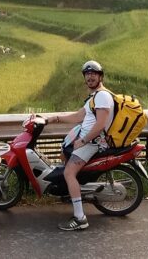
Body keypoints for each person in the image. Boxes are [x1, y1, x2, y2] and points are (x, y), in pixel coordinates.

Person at [47, 60, 114, 231]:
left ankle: (80, 218)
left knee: (69, 172)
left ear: (100, 76)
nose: (90, 76)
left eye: (94, 73)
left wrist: (82, 141)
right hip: (86, 140)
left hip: (93, 143)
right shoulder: (94, 97)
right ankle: (71, 192)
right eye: (87, 74)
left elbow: (100, 125)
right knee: (63, 153)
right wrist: (54, 119)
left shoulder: (103, 96)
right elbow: (78, 117)